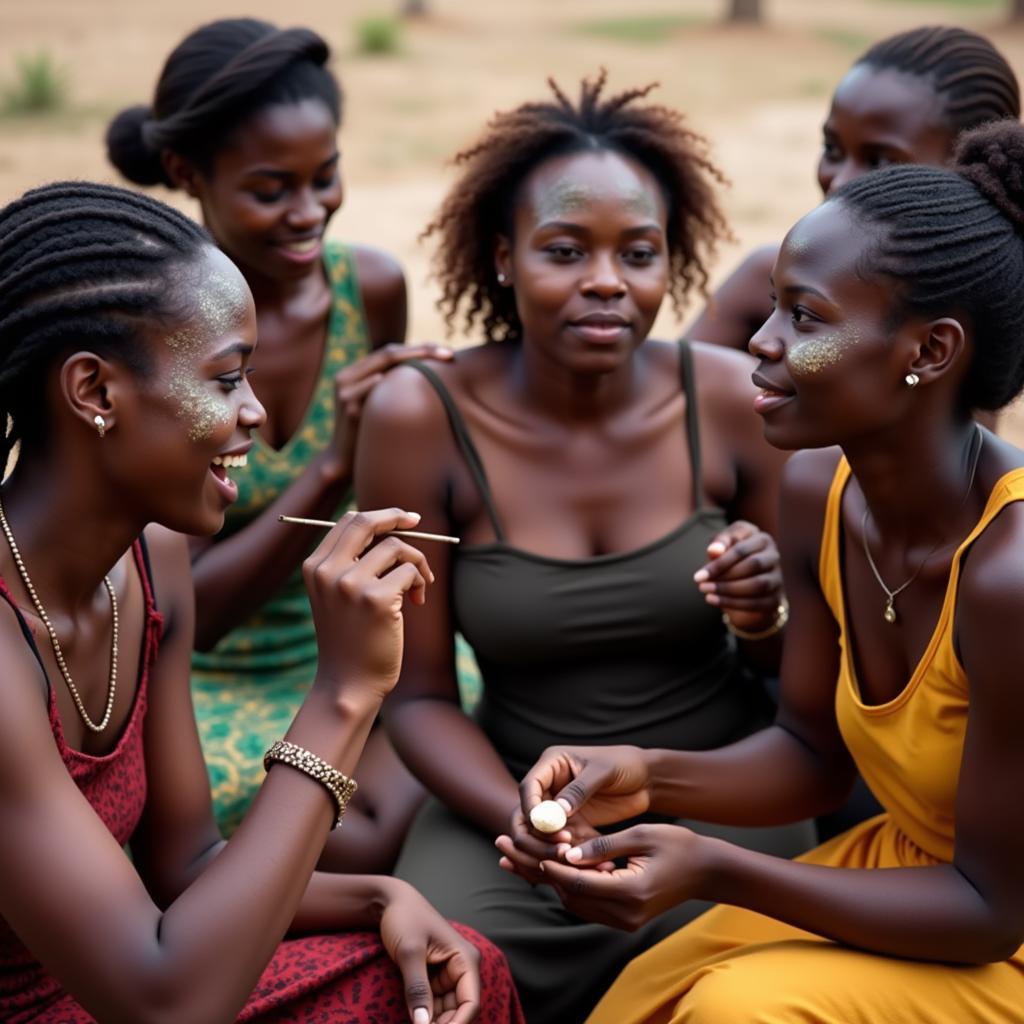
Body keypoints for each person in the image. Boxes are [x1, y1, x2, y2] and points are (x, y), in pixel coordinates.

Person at [506, 119, 1024, 1022]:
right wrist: (643, 775)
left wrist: (714, 867)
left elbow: (990, 908)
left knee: (739, 1008)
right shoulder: (819, 490)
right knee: (649, 995)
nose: (762, 341)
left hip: (994, 923)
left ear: (931, 352)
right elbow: (811, 755)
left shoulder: (1009, 575)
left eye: (807, 317)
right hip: (911, 873)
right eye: (776, 306)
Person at [0, 180, 526, 1024]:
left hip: (133, 978)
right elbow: (166, 1003)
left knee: (450, 966)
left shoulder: (151, 562)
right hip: (129, 995)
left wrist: (377, 898)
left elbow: (188, 866)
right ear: (96, 393)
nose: (256, 413)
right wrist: (343, 692)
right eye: (225, 379)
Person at [355, 73, 813, 1024]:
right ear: (503, 258)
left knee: (739, 996)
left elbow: (802, 689)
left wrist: (764, 613)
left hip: (725, 803)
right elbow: (423, 694)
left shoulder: (734, 398)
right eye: (565, 249)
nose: (607, 279)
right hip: (512, 807)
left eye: (638, 252)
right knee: (440, 979)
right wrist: (530, 821)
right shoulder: (421, 419)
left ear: (669, 263)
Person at [106, 18, 450, 867]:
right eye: (271, 190)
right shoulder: (152, 332)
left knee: (436, 771)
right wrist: (334, 465)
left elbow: (391, 516)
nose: (309, 213)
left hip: (350, 637)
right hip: (199, 672)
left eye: (325, 178)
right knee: (316, 825)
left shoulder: (367, 288)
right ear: (188, 174)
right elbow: (198, 614)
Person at [686, 25, 1020, 352]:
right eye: (832, 149)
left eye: (880, 161)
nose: (841, 181)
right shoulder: (770, 278)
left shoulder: (990, 322)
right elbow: (665, 391)